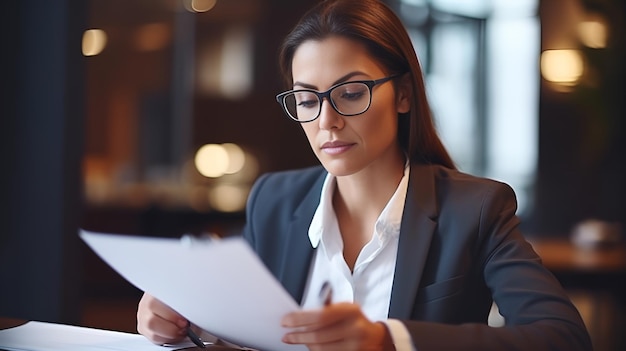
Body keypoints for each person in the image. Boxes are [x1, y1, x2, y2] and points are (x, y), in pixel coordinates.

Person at [137, 0, 593, 350]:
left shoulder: (474, 210)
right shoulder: (274, 200)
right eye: (308, 100)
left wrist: (388, 341)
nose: (327, 122)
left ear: (404, 95)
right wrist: (186, 321)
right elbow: (245, 326)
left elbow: (562, 337)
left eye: (351, 93)